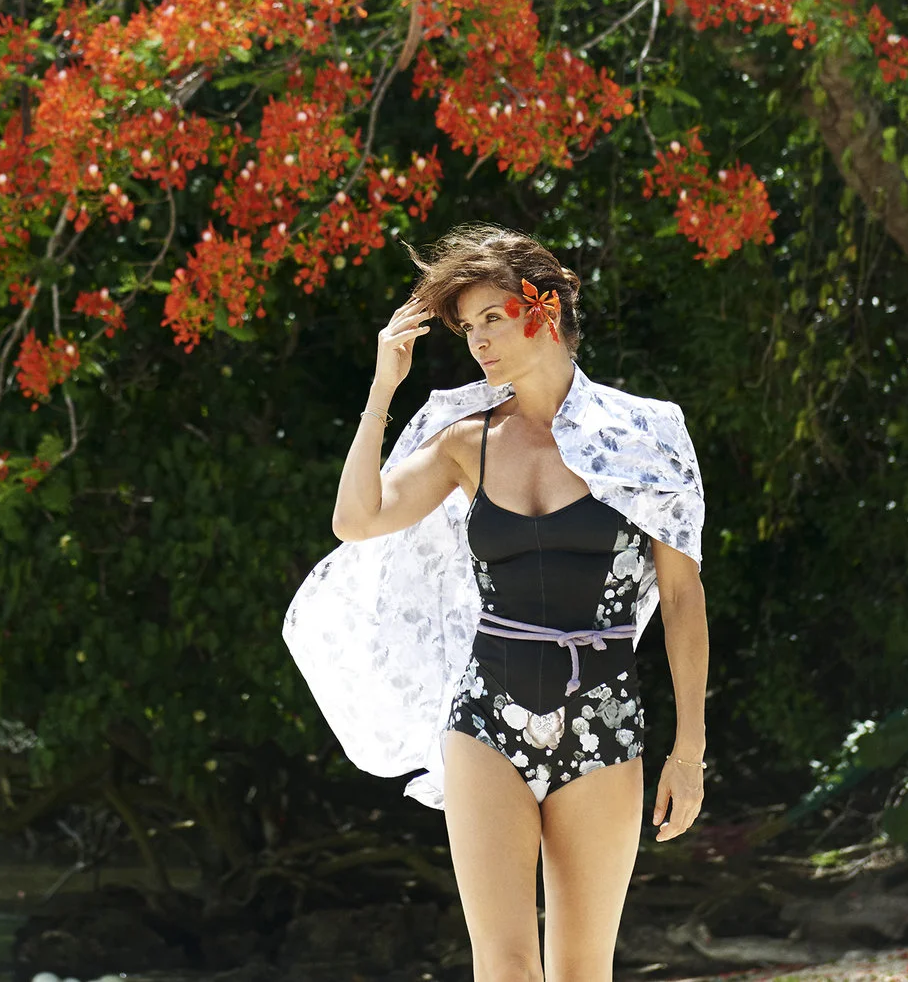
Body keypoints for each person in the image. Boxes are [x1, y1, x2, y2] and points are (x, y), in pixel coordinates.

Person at [282, 225, 708, 982]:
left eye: (491, 320)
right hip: (485, 716)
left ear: (541, 312)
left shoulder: (647, 434)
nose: (478, 342)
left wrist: (689, 752)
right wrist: (383, 388)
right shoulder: (465, 441)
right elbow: (355, 520)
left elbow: (680, 597)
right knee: (505, 970)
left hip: (604, 718)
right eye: (467, 327)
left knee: (581, 972)